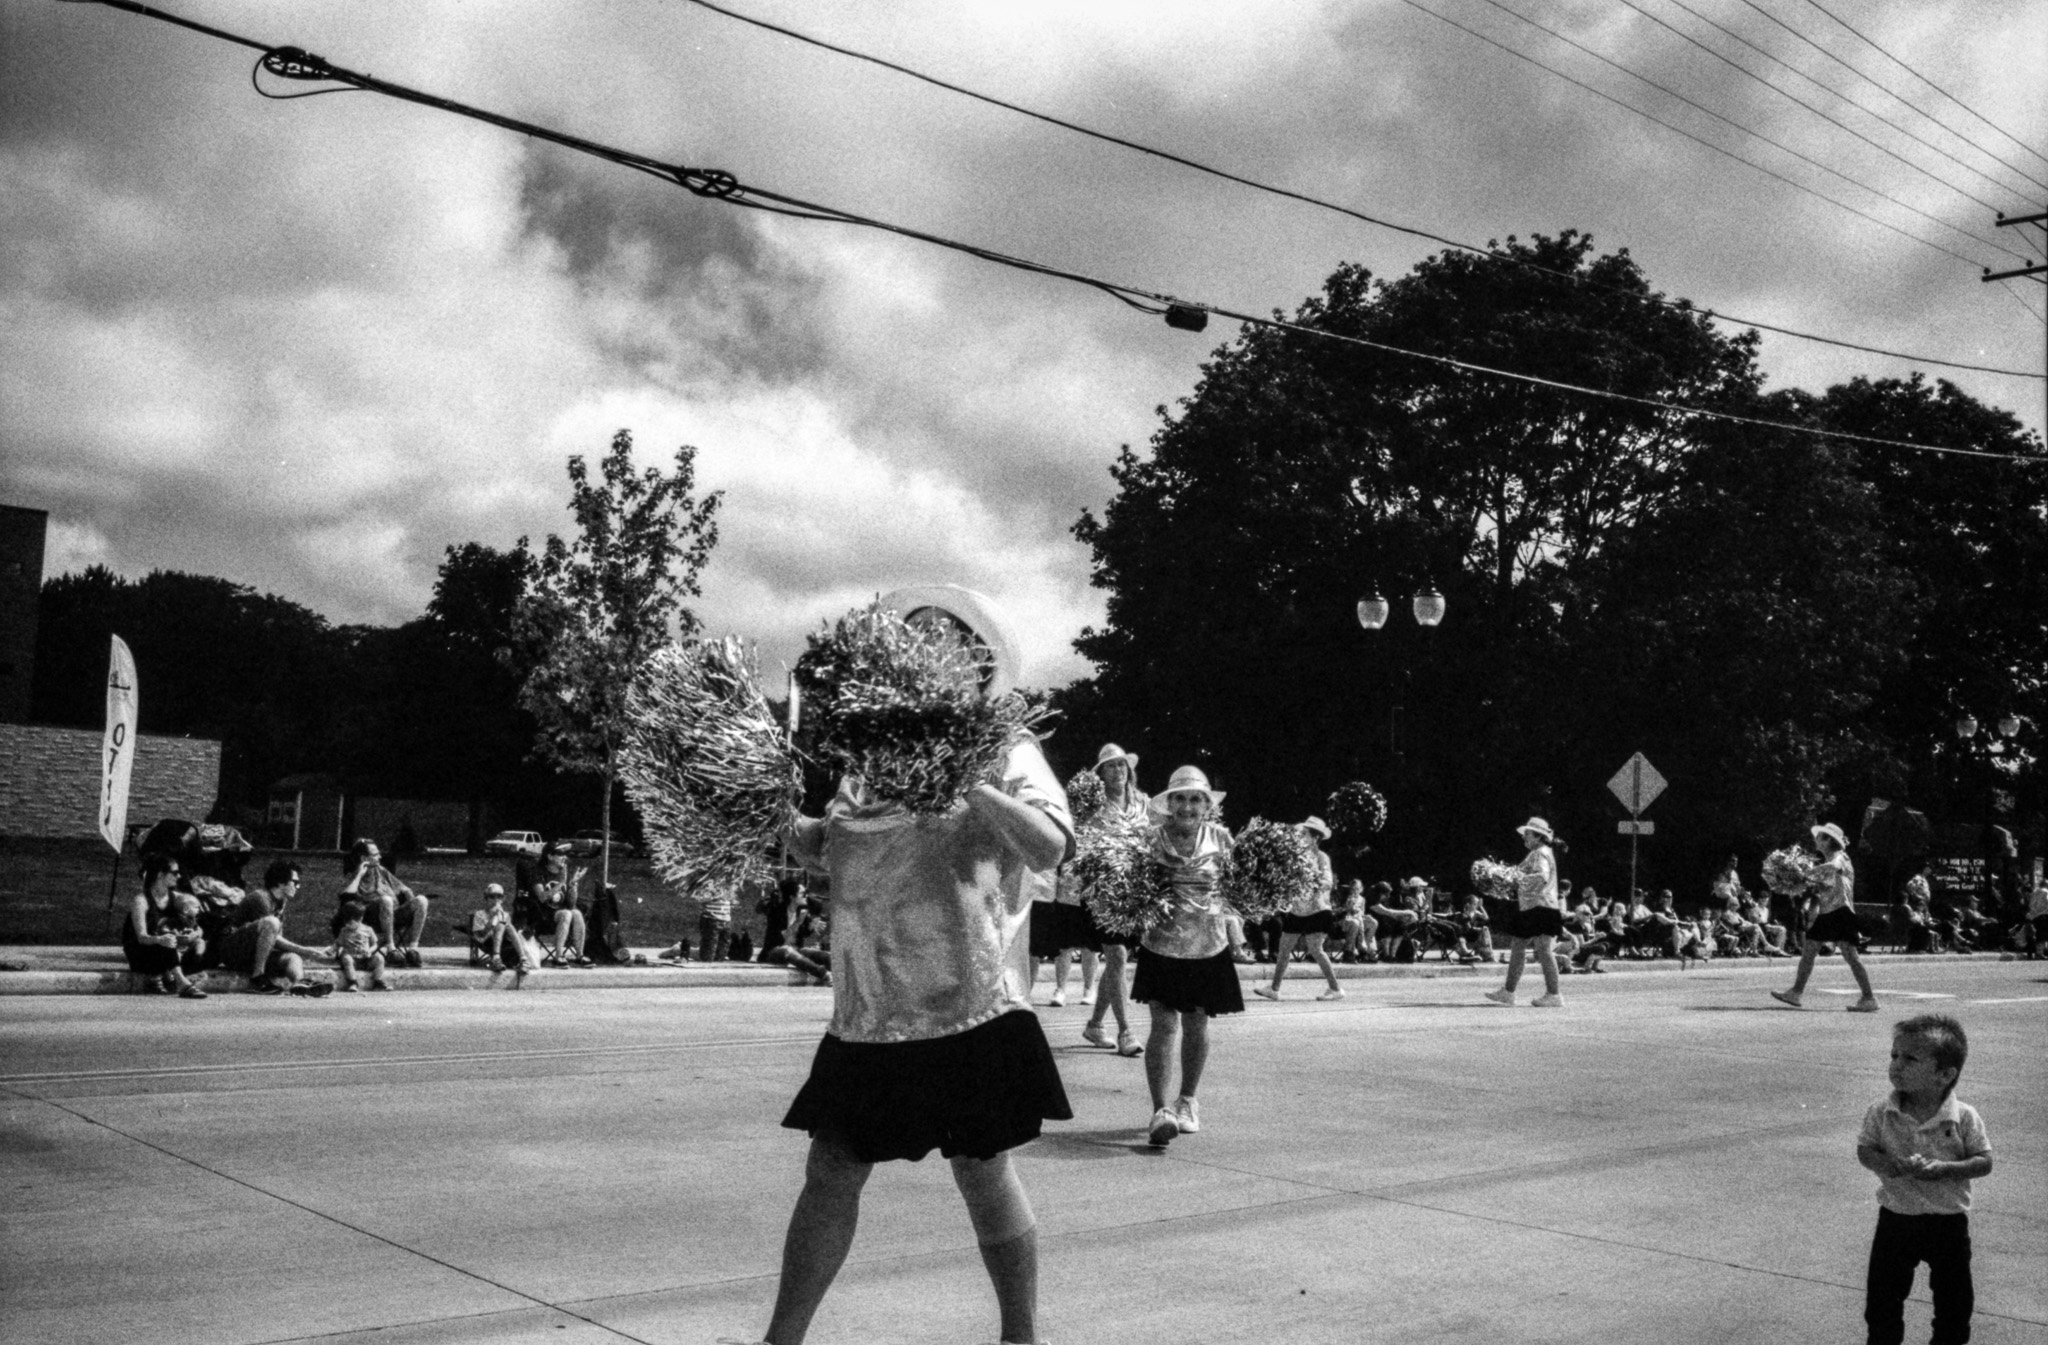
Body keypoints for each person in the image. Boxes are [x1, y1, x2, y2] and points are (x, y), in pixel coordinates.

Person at [746, 585, 1073, 1345]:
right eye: (910, 632)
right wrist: (761, 804)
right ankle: (780, 1341)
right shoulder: (866, 760)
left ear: (972, 660)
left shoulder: (1005, 745)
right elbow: (828, 843)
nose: (919, 643)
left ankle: (1021, 1338)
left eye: (938, 635)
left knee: (981, 1169)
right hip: (868, 1010)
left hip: (967, 1003)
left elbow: (1052, 845)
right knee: (830, 1168)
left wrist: (967, 778)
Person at [1856, 1014, 1993, 1345]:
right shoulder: (1881, 1111)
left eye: (1910, 1059)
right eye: (1894, 1056)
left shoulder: (1963, 1117)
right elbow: (1865, 1150)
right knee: (1883, 1302)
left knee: (1954, 1303)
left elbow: (1984, 1161)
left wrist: (1946, 1169)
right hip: (1896, 1219)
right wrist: (1888, 1165)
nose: (1896, 1066)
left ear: (1944, 1075)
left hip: (1947, 1222)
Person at [1131, 765, 1241, 1148]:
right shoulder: (1150, 839)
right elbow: (1131, 887)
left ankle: (1188, 1100)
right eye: (1181, 798)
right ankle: (1161, 1110)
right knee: (1163, 1026)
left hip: (1208, 945)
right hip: (1160, 944)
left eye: (1196, 799)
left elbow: (1239, 889)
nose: (1188, 805)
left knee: (1196, 1024)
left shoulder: (1222, 839)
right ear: (1170, 803)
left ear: (1207, 805)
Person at [1079, 742, 1146, 1056]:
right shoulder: (1092, 805)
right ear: (1101, 773)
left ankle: (1094, 1025)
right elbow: (1082, 843)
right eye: (1111, 766)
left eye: (1122, 765)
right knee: (1117, 956)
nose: (1118, 770)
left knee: (1118, 962)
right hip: (1101, 890)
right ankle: (1126, 1032)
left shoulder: (1141, 802)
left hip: (1133, 890)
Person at [1772, 823, 1879, 1012]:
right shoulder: (1828, 860)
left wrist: (1808, 872)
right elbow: (1825, 888)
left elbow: (1834, 867)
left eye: (1819, 837)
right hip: (1828, 912)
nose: (1816, 840)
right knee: (1809, 951)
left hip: (1841, 912)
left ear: (1828, 840)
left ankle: (1869, 998)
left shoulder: (1840, 857)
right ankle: (1796, 992)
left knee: (1850, 956)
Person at [1254, 816, 1344, 1001]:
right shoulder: (1295, 856)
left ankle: (1336, 989)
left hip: (1318, 909)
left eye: (1304, 834)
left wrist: (1311, 881)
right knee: (1284, 948)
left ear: (1315, 838)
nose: (1300, 836)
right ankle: (1274, 988)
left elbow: (1327, 882)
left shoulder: (1321, 857)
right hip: (1297, 910)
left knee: (1316, 950)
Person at [1484, 817, 1564, 1008]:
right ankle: (1508, 992)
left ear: (1539, 836)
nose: (1524, 838)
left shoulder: (1540, 853)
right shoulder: (1539, 852)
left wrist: (1516, 879)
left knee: (1543, 950)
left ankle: (1554, 995)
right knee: (1518, 947)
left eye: (1527, 834)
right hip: (1533, 906)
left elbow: (1540, 877)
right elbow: (1520, 874)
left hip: (1540, 906)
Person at [224, 860, 333, 996]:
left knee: (292, 957)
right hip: (233, 952)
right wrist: (306, 951)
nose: (297, 887)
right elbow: (273, 937)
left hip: (252, 955)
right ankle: (257, 978)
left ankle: (301, 983)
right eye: (295, 882)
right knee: (271, 922)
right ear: (281, 882)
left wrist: (300, 953)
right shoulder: (260, 898)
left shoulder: (281, 902)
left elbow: (274, 939)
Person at [121, 854, 207, 998]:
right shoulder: (141, 901)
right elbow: (141, 938)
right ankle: (182, 984)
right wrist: (160, 940)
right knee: (168, 943)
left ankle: (160, 976)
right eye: (174, 872)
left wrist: (193, 935)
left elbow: (199, 929)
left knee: (200, 948)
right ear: (161, 874)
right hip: (141, 952)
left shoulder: (178, 899)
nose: (179, 876)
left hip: (168, 950)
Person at [337, 839, 430, 967]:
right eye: (375, 854)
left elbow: (403, 888)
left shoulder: (381, 870)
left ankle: (413, 949)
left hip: (393, 916)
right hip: (371, 919)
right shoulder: (353, 875)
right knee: (386, 900)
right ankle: (391, 949)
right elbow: (346, 896)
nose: (380, 856)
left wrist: (408, 893)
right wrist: (359, 874)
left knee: (422, 900)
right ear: (364, 858)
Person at [518, 842, 595, 968]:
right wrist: (561, 883)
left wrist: (572, 886)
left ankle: (579, 955)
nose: (564, 857)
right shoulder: (537, 873)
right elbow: (542, 897)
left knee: (575, 912)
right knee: (566, 913)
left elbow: (571, 903)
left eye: (565, 854)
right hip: (541, 917)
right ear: (550, 856)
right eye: (560, 854)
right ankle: (558, 957)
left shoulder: (562, 874)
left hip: (562, 917)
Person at [471, 883, 533, 973]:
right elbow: (480, 935)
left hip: (502, 943)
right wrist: (491, 918)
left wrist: (502, 918)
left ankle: (522, 959)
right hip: (487, 941)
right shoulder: (480, 914)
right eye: (492, 897)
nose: (496, 900)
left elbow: (509, 933)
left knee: (507, 924)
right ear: (486, 898)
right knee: (501, 924)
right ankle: (497, 958)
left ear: (502, 899)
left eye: (499, 897)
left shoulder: (504, 914)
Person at [330, 899, 391, 991]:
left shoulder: (368, 930)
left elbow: (375, 944)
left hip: (366, 960)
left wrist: (370, 951)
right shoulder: (344, 931)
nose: (348, 925)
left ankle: (378, 981)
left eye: (350, 923)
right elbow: (338, 943)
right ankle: (352, 982)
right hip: (352, 960)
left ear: (360, 919)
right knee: (346, 958)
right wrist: (331, 950)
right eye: (346, 922)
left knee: (379, 958)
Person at [1337, 879, 1375, 963]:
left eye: (1357, 889)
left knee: (1373, 923)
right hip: (1345, 919)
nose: (1355, 891)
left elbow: (1362, 912)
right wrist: (1348, 907)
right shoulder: (1346, 897)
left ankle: (1365, 949)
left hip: (1357, 917)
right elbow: (1341, 910)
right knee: (1356, 923)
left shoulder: (1362, 899)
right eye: (1353, 889)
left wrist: (1365, 916)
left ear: (1361, 889)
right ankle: (1350, 951)